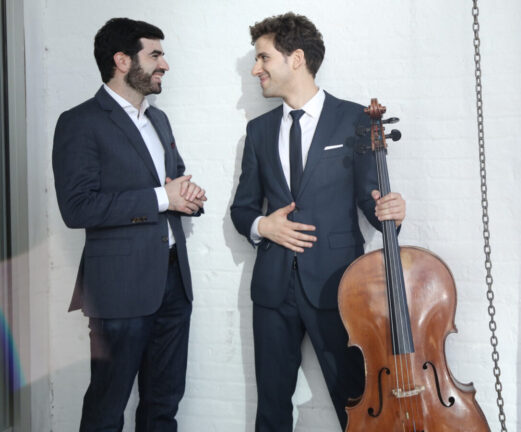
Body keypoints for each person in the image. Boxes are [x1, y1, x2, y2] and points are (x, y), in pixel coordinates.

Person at [230, 12, 406, 431]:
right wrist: (262, 226)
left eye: (263, 58)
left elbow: (372, 203)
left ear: (296, 59)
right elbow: (242, 208)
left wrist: (391, 214)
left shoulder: (356, 120)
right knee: (271, 409)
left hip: (338, 289)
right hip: (273, 291)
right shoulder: (257, 132)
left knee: (355, 403)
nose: (256, 69)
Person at [52, 17, 206, 431]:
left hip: (173, 282)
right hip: (118, 289)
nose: (165, 65)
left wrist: (187, 198)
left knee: (163, 403)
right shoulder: (79, 122)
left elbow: (172, 181)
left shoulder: (158, 120)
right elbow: (78, 208)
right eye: (155, 54)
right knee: (107, 407)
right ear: (122, 60)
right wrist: (162, 198)